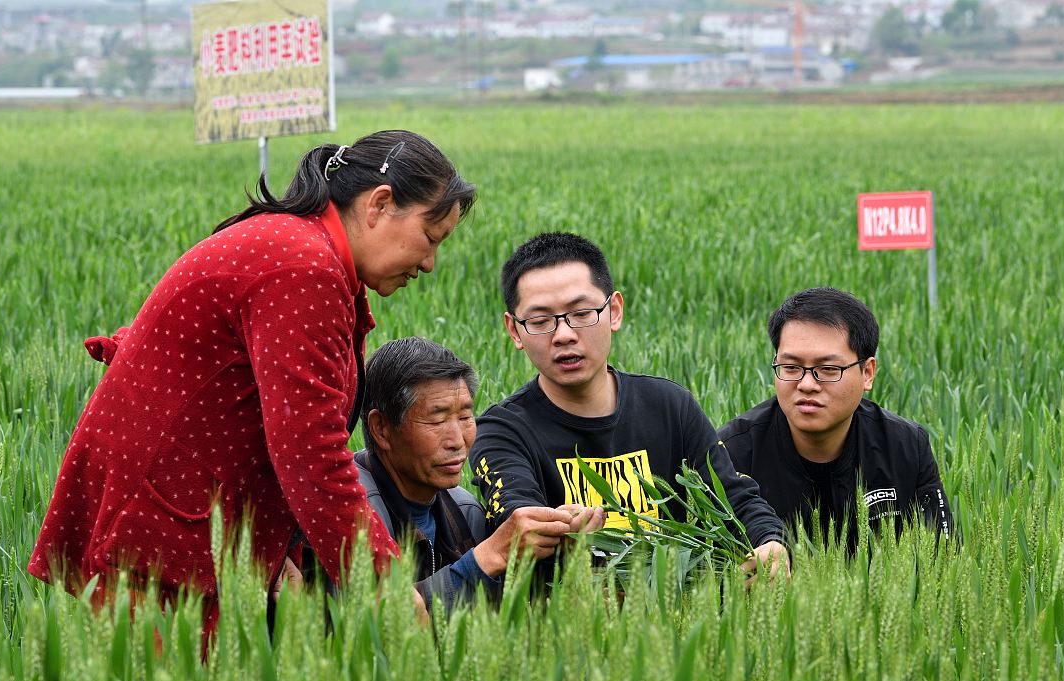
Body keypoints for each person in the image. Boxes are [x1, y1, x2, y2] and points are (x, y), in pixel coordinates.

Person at [28, 130, 476, 632]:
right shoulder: (303, 267)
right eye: (430, 237)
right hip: (164, 535)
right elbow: (311, 452)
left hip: (185, 523)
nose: (430, 263)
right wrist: (385, 584)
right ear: (380, 204)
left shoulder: (305, 250)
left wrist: (277, 542)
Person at [470, 232, 791, 589]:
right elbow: (517, 518)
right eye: (541, 321)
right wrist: (556, 527)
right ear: (514, 330)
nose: (563, 334)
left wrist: (770, 542)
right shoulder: (501, 431)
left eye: (581, 313)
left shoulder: (671, 407)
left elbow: (733, 498)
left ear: (614, 312)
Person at [356, 336, 594, 611]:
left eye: (465, 417)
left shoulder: (465, 511)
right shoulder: (350, 510)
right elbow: (366, 624)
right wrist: (487, 556)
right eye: (437, 419)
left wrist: (557, 548)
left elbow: (495, 620)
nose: (457, 440)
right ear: (381, 429)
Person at [719, 287, 953, 554]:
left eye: (828, 369)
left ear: (867, 373)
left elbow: (944, 557)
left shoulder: (906, 447)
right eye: (791, 367)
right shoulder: (732, 452)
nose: (807, 384)